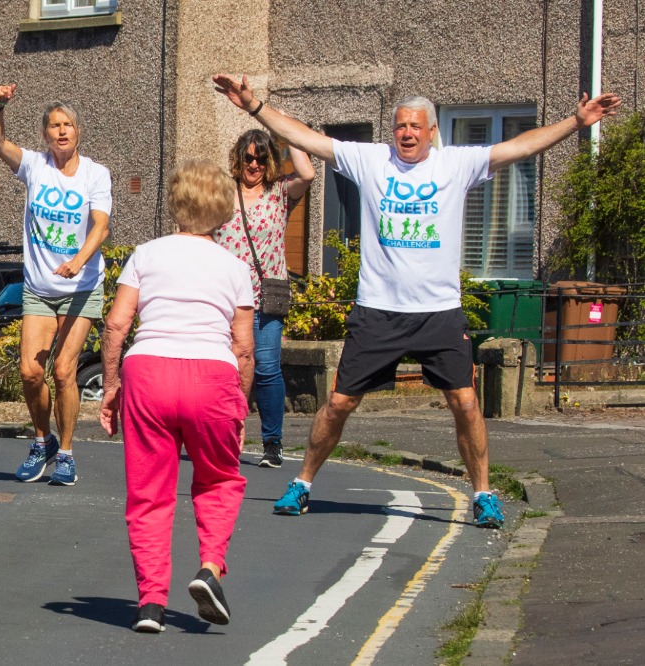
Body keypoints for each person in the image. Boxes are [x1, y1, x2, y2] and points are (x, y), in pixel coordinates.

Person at [214, 74, 622, 528]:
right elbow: (304, 136)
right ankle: (303, 483)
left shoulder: (456, 165)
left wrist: (576, 121)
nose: (406, 133)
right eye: (400, 126)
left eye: (415, 126)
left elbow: (522, 147)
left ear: (431, 132)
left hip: (438, 313)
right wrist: (252, 105)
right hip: (378, 311)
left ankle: (483, 494)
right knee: (340, 404)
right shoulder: (371, 160)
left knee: (465, 403)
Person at [99, 159, 255, 633]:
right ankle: (209, 568)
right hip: (212, 377)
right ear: (225, 211)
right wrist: (240, 404)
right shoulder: (236, 268)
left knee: (148, 493)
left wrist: (110, 385)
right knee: (219, 479)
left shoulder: (145, 255)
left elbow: (117, 324)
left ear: (175, 203)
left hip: (149, 372)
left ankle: (150, 604)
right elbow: (244, 347)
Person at [0, 83, 113, 486]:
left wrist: (78, 261)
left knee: (63, 371)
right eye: (55, 126)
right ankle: (42, 441)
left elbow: (101, 226)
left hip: (82, 287)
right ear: (45, 134)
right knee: (29, 372)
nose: (62, 131)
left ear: (78, 132)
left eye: (68, 125)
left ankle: (68, 454)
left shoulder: (96, 174)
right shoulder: (34, 166)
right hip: (40, 288)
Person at [214, 129, 314, 468]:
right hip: (226, 301)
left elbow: (307, 173)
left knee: (268, 369)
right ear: (238, 159)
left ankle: (273, 443)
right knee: (226, 372)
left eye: (260, 158)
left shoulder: (279, 194)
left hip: (265, 299)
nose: (253, 164)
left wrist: (284, 130)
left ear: (270, 160)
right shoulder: (222, 194)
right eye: (248, 157)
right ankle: (225, 436)